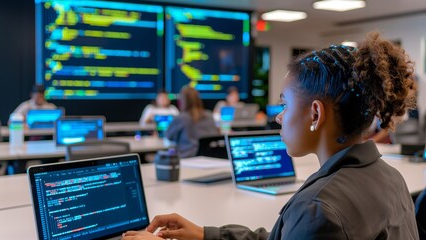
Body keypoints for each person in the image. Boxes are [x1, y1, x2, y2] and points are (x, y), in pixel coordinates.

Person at [122, 32, 419, 240]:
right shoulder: (389, 178)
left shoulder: (320, 209)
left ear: (315, 114)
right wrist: (205, 234)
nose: (279, 116)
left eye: (285, 104)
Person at [164, 86, 219, 158]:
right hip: (210, 158)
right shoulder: (209, 115)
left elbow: (168, 136)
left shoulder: (181, 118)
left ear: (181, 101)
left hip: (188, 158)